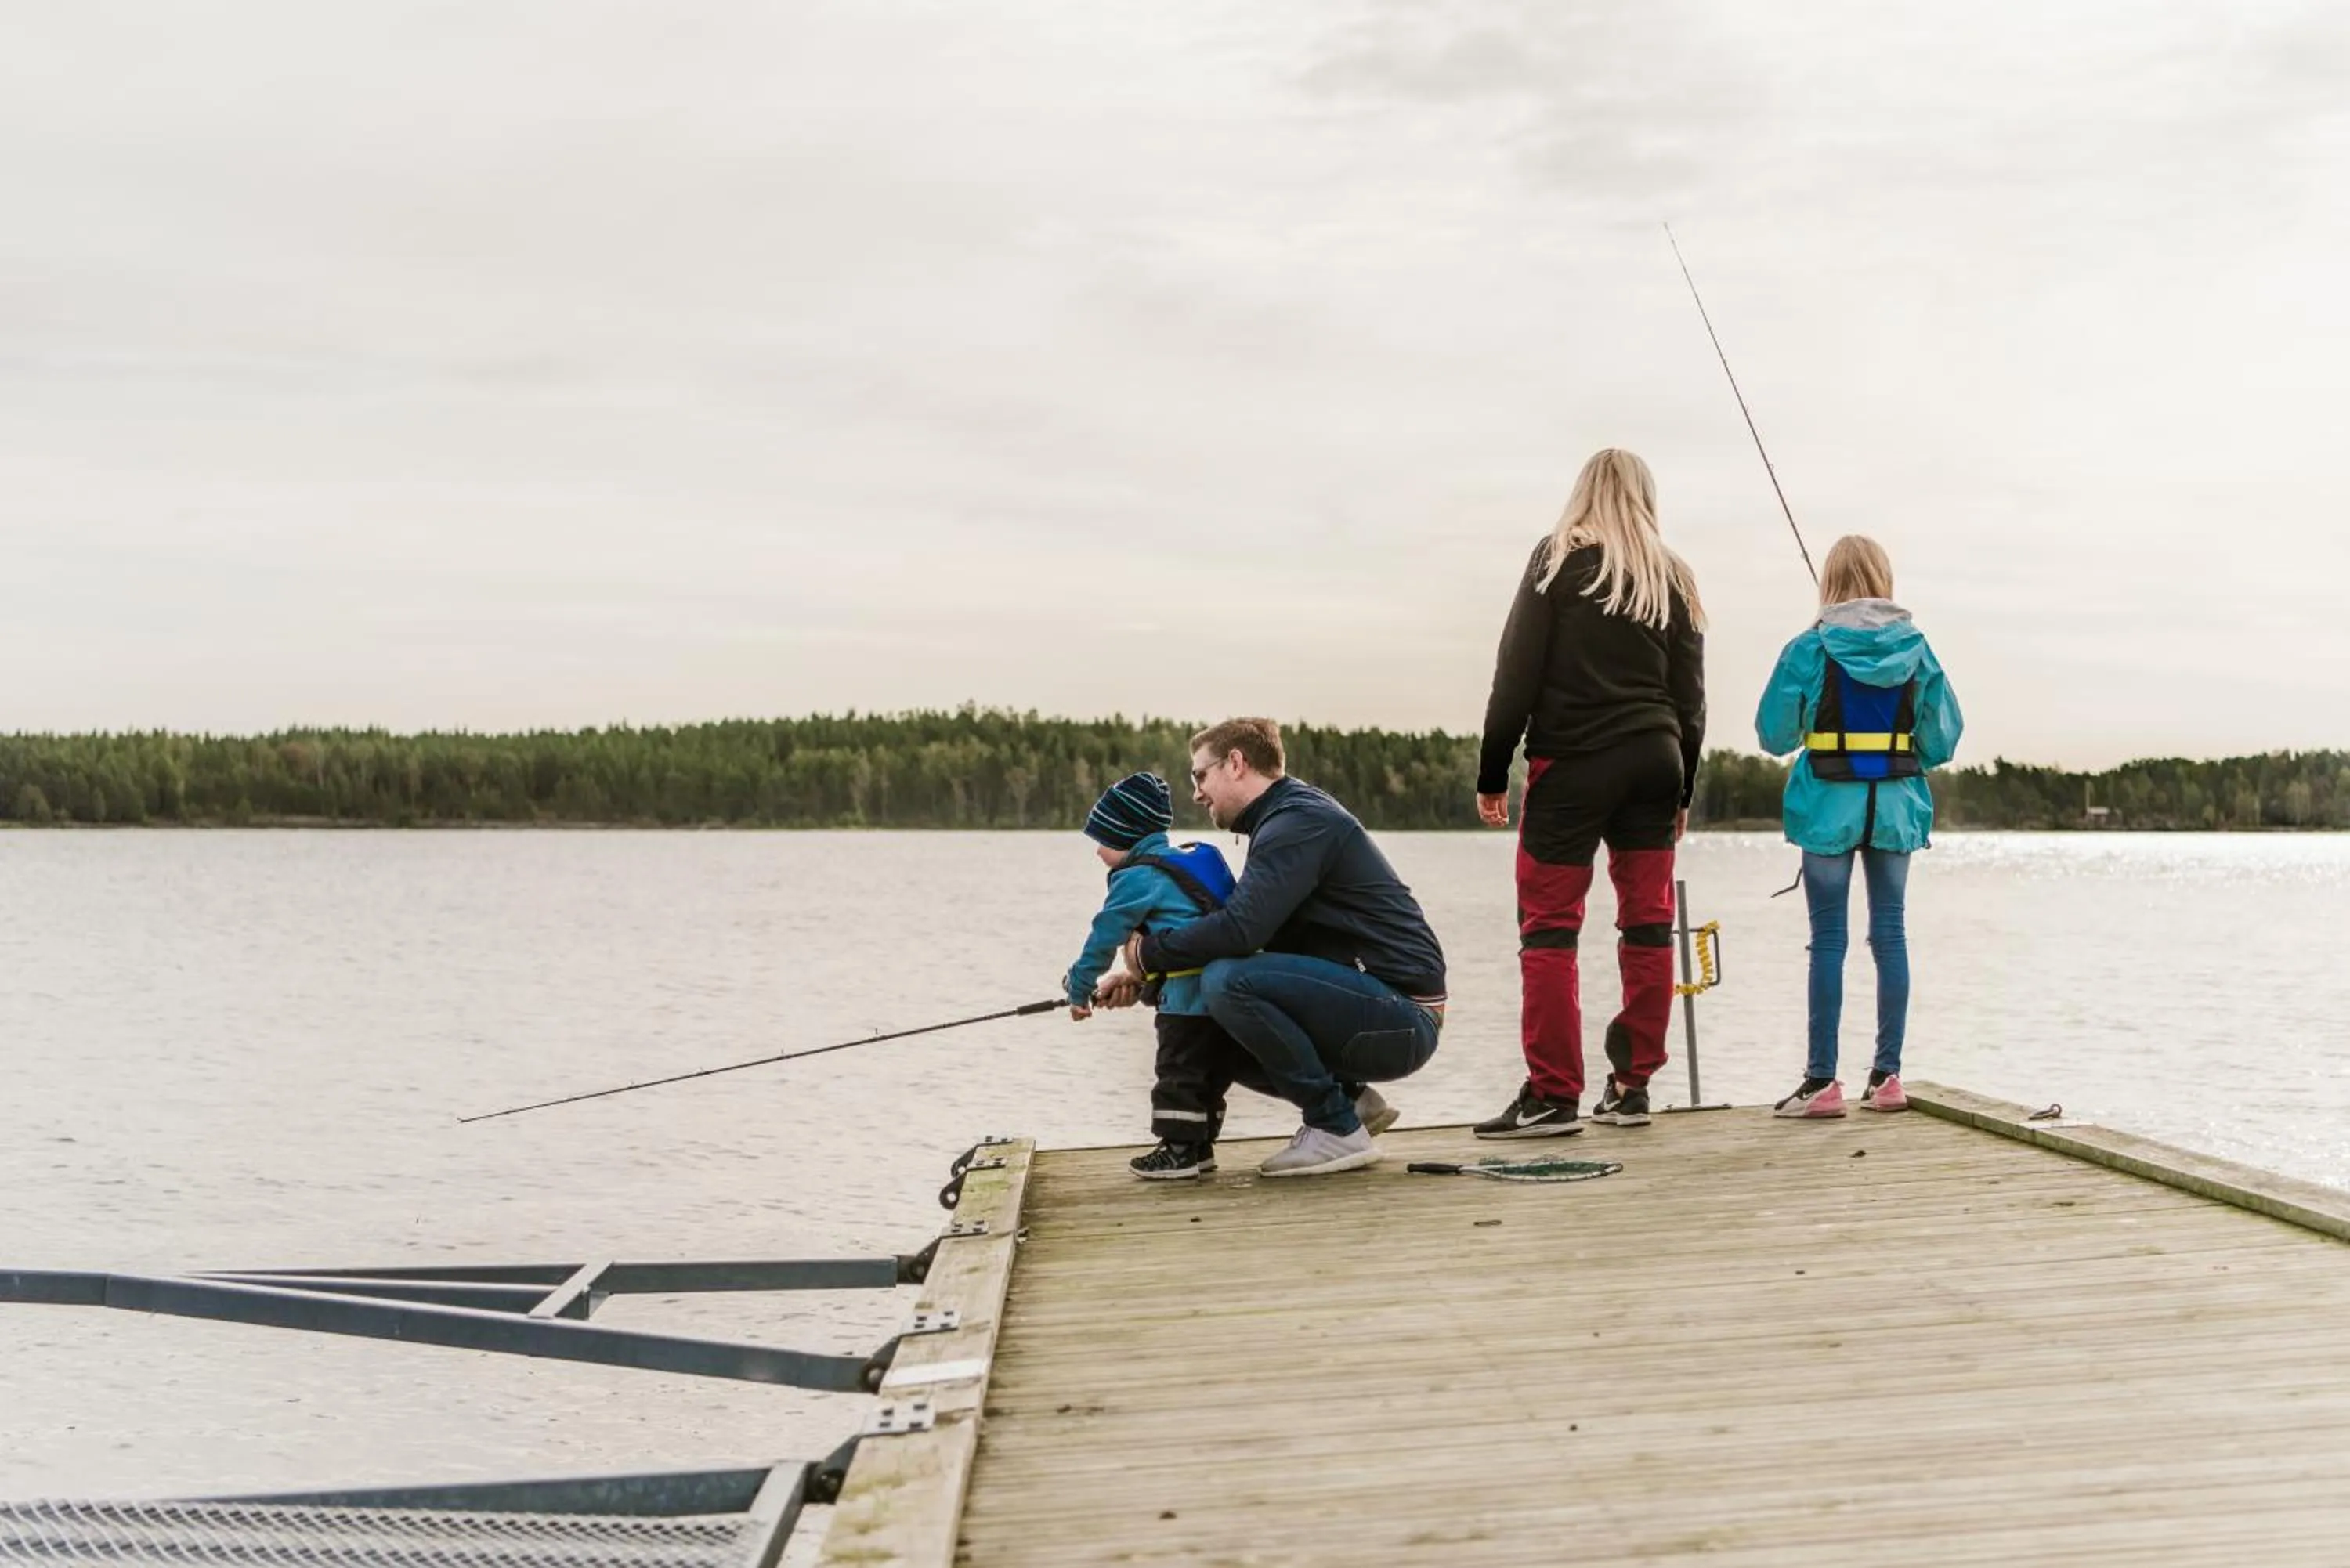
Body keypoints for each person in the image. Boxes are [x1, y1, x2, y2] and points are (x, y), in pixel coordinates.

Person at [1472, 447, 1706, 1138]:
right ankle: (1632, 1087)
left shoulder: (1556, 560)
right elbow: (1691, 699)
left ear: (1583, 493)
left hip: (1573, 764)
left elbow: (1515, 671)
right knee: (1648, 923)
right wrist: (1684, 790)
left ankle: (1553, 1094)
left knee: (1549, 927)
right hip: (1656, 761)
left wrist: (1493, 772)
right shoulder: (1674, 577)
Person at [1117, 718, 1444, 1178]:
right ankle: (1351, 1103)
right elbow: (1251, 937)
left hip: (1404, 1018)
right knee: (1212, 1008)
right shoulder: (1286, 817)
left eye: (1200, 775)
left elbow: (1240, 932)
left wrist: (1147, 955)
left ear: (1235, 763)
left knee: (1226, 983)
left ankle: (1335, 1127)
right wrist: (1147, 978)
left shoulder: (1298, 823)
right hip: (1381, 1010)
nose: (1197, 794)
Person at [1754, 534, 1963, 1118]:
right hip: (1895, 804)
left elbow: (1773, 735)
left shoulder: (1809, 647)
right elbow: (1943, 739)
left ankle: (1822, 1083)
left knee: (1829, 939)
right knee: (1890, 934)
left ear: (1830, 582)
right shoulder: (1918, 649)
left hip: (1827, 805)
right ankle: (1887, 1078)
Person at [1061, 771, 1250, 1180]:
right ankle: (1199, 1148)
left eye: (1103, 840)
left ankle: (1178, 1151)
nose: (1098, 852)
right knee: (1207, 1074)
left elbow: (1104, 935)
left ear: (1126, 835)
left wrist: (1079, 986)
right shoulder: (1188, 862)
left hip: (1185, 1000)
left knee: (1177, 1071)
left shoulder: (1138, 876)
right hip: (1225, 993)